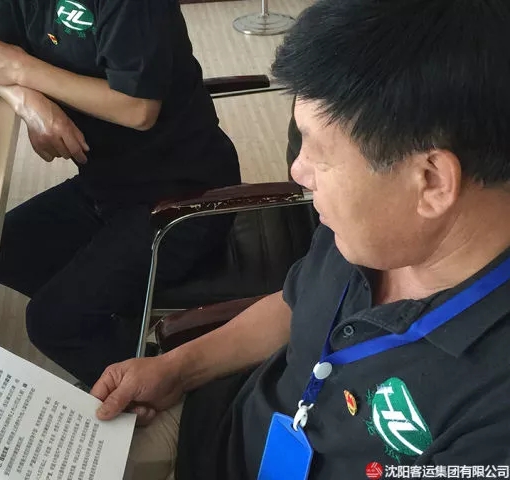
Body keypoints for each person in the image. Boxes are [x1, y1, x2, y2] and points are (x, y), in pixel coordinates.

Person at [89, 0, 510, 478]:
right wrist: (178, 369)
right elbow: (299, 303)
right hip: (221, 427)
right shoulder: (368, 228)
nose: (297, 171)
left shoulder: (495, 416)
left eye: (320, 155)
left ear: (431, 182)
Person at [0, 0, 241, 387]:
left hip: (183, 194)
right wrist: (28, 102)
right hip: (105, 183)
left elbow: (138, 108)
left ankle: (165, 386)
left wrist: (23, 69)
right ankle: (124, 323)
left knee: (52, 323)